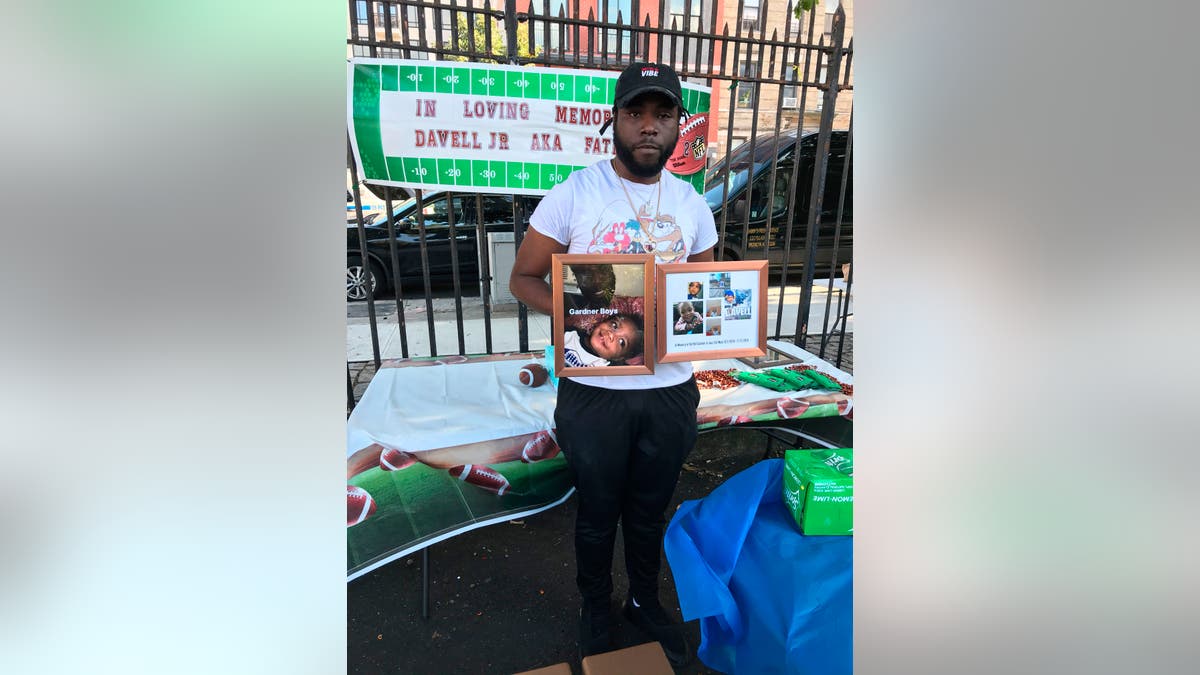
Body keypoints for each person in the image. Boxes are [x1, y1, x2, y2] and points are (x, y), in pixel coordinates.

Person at [509, 61, 717, 667]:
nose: (648, 127)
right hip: (595, 391)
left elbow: (702, 293)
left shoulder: (692, 204)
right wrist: (579, 320)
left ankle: (644, 603)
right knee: (598, 510)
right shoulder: (575, 193)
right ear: (615, 122)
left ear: (679, 126)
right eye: (636, 113)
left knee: (650, 509)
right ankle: (595, 605)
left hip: (670, 391)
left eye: (662, 115)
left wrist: (710, 323)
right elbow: (522, 278)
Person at [562, 313, 644, 368]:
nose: (611, 334)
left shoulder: (604, 371)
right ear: (602, 322)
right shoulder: (570, 334)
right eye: (614, 325)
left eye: (621, 342)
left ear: (618, 358)